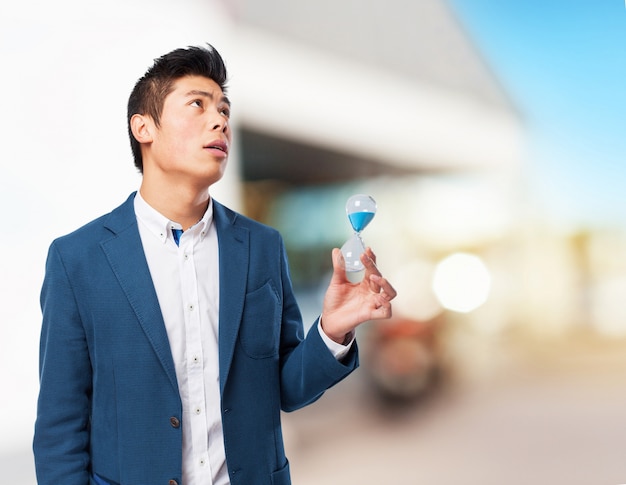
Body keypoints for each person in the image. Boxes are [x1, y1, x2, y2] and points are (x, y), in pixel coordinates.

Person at [33, 44, 397, 485]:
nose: (220, 119)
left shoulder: (262, 246)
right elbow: (60, 426)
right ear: (144, 127)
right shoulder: (78, 260)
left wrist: (332, 331)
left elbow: (283, 388)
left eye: (224, 108)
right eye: (197, 105)